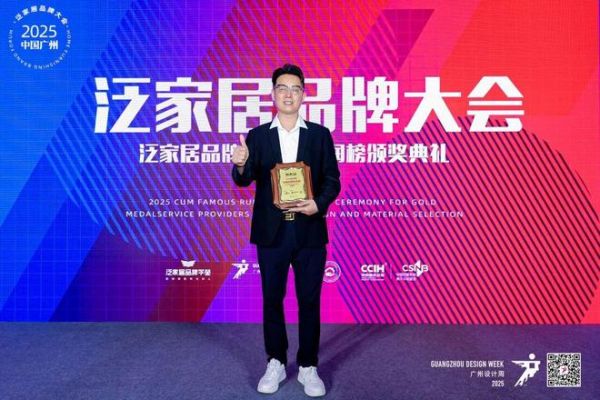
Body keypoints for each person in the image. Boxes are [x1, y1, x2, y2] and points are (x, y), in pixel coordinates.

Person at [231, 64, 341, 397]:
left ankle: (308, 366)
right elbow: (244, 179)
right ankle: (276, 361)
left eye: (295, 88)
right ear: (273, 94)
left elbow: (332, 179)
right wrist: (240, 163)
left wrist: (317, 204)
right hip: (272, 233)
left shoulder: (319, 135)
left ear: (303, 94)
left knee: (309, 300)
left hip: (309, 231)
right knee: (272, 300)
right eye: (282, 88)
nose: (288, 94)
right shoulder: (258, 136)